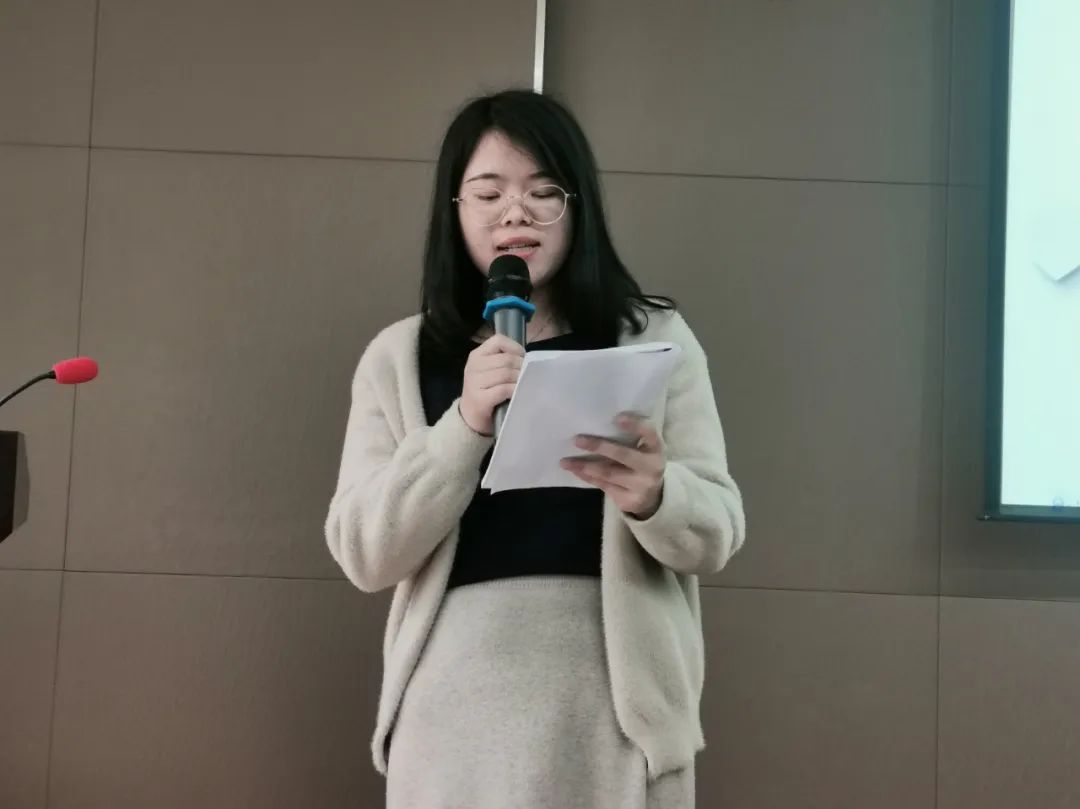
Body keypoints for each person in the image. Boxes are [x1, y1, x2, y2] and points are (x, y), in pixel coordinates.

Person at [324, 89, 746, 809]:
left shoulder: (652, 338)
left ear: (578, 208)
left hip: (616, 719)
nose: (514, 214)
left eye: (543, 193)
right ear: (454, 209)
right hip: (451, 721)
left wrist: (656, 494)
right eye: (489, 194)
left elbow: (717, 533)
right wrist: (464, 424)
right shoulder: (400, 357)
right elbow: (365, 551)